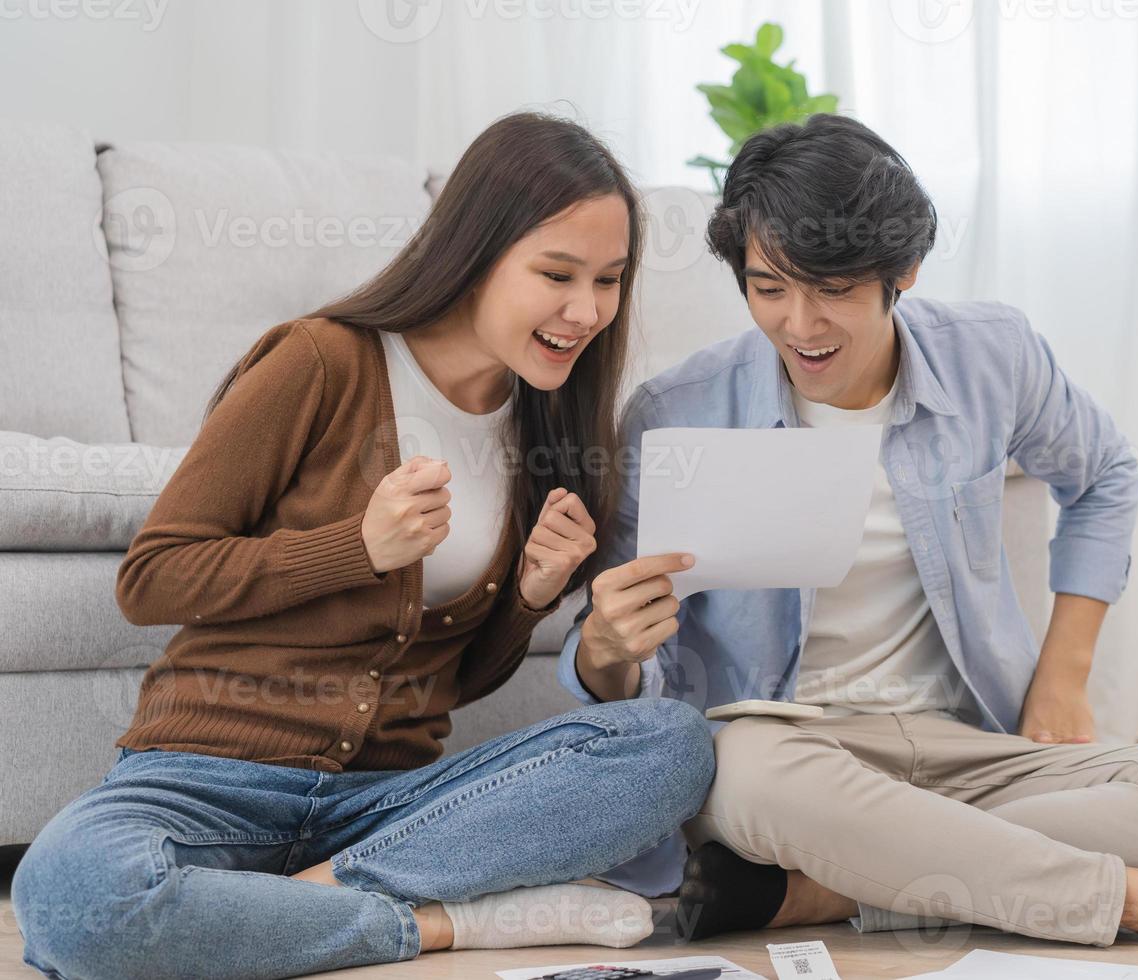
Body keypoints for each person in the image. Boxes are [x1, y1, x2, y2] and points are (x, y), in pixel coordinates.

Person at [560, 114, 1138, 949]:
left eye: (835, 290)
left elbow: (1103, 475)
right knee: (737, 773)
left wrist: (1063, 676)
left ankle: (823, 890)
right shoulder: (677, 414)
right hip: (793, 754)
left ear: (904, 271)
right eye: (769, 288)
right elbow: (637, 672)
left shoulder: (992, 355)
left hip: (970, 747)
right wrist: (606, 647)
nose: (801, 326)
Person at [12, 112, 714, 980]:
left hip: (389, 807)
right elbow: (152, 578)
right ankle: (441, 925)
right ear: (475, 255)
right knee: (72, 897)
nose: (587, 311)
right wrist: (357, 548)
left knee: (670, 743)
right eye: (556, 273)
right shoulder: (321, 362)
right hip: (203, 779)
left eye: (609, 280)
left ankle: (297, 907)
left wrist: (530, 595)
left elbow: (451, 682)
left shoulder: (549, 426)